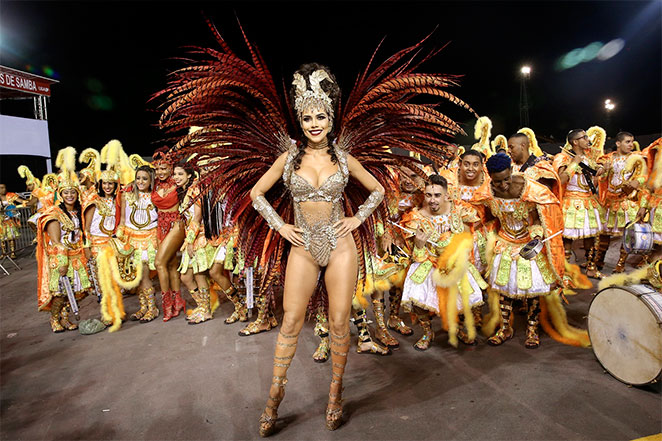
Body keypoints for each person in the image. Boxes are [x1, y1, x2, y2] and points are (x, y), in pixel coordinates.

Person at [478, 152, 566, 348]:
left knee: (532, 290)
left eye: (506, 179)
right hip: (505, 243)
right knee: (504, 289)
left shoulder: (529, 188)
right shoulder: (487, 191)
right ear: (490, 177)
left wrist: (536, 236)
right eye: (497, 181)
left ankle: (532, 328)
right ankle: (505, 328)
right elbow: (482, 213)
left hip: (528, 243)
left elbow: (541, 214)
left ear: (512, 170)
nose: (502, 185)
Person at [400, 174, 486, 348]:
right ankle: (427, 332)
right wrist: (419, 244)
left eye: (437, 195)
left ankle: (458, 328)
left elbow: (474, 228)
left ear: (446, 195)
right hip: (427, 262)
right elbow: (416, 256)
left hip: (454, 263)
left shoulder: (459, 211)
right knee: (419, 298)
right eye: (429, 195)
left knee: (464, 299)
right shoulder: (415, 218)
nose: (432, 200)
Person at [36, 147, 93, 332]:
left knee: (76, 292)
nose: (70, 195)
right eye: (66, 192)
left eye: (73, 192)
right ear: (60, 194)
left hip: (77, 256)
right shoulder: (55, 213)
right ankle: (54, 319)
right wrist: (62, 262)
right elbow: (56, 241)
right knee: (60, 293)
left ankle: (66, 318)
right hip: (62, 257)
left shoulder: (77, 211)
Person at [553, 129, 606, 278]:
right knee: (568, 238)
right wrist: (574, 163)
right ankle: (564, 273)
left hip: (589, 201)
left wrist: (602, 169)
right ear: (575, 142)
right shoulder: (563, 157)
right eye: (584, 137)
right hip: (570, 202)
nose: (587, 140)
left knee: (591, 236)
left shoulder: (589, 158)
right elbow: (561, 180)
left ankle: (591, 267)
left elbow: (592, 176)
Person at [594, 131, 646, 272]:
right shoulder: (609, 158)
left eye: (632, 141)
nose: (631, 145)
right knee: (604, 233)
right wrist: (600, 169)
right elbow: (599, 165)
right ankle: (598, 261)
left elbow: (644, 175)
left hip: (626, 201)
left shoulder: (636, 158)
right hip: (609, 201)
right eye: (627, 142)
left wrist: (637, 181)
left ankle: (620, 264)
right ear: (618, 143)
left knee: (626, 234)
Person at [174, 162, 216, 324]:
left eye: (180, 174)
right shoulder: (186, 191)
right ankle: (202, 305)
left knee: (198, 274)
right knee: (185, 277)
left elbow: (197, 219)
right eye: (175, 174)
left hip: (199, 236)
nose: (176, 178)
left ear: (190, 175)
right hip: (190, 236)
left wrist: (190, 241)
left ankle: (206, 311)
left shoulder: (196, 190)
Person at [117, 165, 159, 322]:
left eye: (145, 179)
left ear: (151, 181)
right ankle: (144, 308)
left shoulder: (155, 197)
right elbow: (122, 220)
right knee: (138, 277)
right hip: (131, 241)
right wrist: (119, 237)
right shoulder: (126, 196)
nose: (140, 181)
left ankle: (152, 308)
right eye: (138, 178)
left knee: (144, 275)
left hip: (148, 241)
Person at [152, 151, 186, 322]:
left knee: (159, 263)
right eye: (157, 169)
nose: (160, 172)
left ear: (170, 168)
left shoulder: (178, 183)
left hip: (176, 224)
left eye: (164, 168)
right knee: (171, 265)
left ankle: (167, 305)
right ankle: (178, 301)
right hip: (161, 227)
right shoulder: (154, 184)